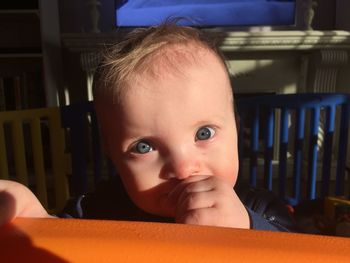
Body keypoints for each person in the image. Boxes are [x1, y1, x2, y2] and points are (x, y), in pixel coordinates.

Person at [0, 22, 296, 231]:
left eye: (203, 134)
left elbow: (298, 249)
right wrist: (33, 219)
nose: (182, 168)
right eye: (144, 146)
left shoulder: (258, 208)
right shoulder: (100, 209)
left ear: (236, 129)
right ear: (111, 152)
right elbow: (65, 244)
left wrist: (247, 226)